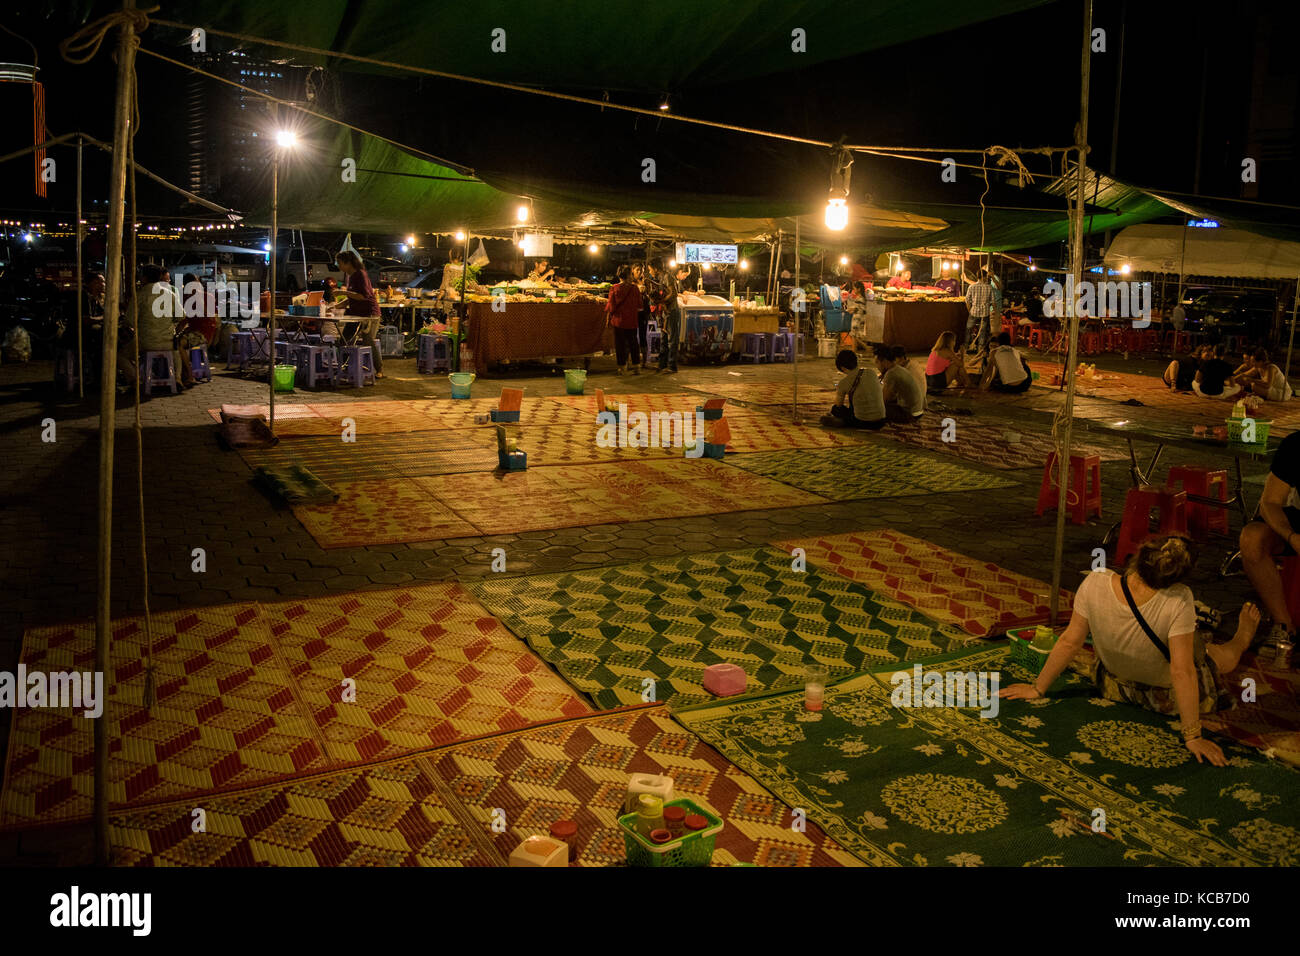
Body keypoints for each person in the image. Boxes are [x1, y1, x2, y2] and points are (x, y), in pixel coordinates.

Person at [1000, 535, 1260, 767]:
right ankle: (1241, 639)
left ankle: (1219, 639)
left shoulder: (1096, 580)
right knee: (1212, 654)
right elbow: (1182, 671)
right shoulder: (1180, 597)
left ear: (1137, 556)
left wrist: (1037, 688)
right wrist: (1193, 736)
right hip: (1163, 699)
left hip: (1114, 687)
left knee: (1189, 640)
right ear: (1176, 577)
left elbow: (1070, 641)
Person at [1239, 431, 1300, 649]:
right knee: (1252, 538)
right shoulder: (1296, 444)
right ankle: (1284, 627)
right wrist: (1291, 537)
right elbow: (1270, 502)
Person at [134, 264, 194, 390]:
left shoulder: (139, 295)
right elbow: (182, 317)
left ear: (144, 278)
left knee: (121, 356)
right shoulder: (169, 294)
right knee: (176, 349)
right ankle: (177, 379)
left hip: (144, 343)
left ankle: (136, 381)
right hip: (167, 341)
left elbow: (129, 321)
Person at [336, 251, 384, 378]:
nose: (339, 266)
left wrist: (345, 294)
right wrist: (336, 306)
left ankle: (379, 370)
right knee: (344, 339)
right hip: (355, 314)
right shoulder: (350, 276)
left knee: (368, 341)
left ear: (348, 263)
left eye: (340, 263)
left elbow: (362, 296)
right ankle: (342, 367)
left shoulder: (361, 275)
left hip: (369, 314)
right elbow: (353, 297)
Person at [821, 349, 886, 429]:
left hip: (862, 422)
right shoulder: (871, 372)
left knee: (835, 409)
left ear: (843, 368)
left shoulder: (843, 383)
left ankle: (843, 423)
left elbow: (838, 405)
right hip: (881, 421)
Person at [646, 258, 681, 375]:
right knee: (663, 340)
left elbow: (673, 293)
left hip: (671, 311)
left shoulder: (667, 277)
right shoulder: (659, 279)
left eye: (650, 269)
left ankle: (672, 366)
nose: (650, 272)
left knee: (672, 340)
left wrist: (662, 302)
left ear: (656, 268)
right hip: (664, 313)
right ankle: (662, 365)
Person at [606, 264, 642, 375]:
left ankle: (622, 367)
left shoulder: (614, 288)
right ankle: (636, 366)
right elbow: (640, 306)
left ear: (619, 276)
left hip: (619, 321)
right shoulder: (635, 288)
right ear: (628, 275)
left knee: (620, 345)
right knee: (633, 344)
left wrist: (608, 319)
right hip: (631, 321)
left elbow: (611, 307)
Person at [877, 346, 925, 422]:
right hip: (918, 411)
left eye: (877, 362)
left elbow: (884, 399)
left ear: (884, 361)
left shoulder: (891, 373)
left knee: (875, 408)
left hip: (909, 414)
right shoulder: (898, 368)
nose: (877, 366)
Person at [964, 271, 994, 354]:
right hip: (985, 313)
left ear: (977, 277)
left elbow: (967, 301)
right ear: (984, 277)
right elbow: (993, 301)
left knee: (968, 330)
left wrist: (970, 311)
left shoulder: (971, 286)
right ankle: (980, 350)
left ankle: (966, 347)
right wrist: (992, 311)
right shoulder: (989, 287)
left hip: (973, 312)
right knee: (983, 331)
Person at [631, 263, 652, 369]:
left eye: (642, 270)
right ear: (633, 271)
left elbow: (650, 295)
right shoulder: (630, 283)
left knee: (643, 336)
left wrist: (646, 294)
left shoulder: (646, 282)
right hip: (633, 313)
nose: (640, 272)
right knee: (633, 336)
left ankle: (644, 361)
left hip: (644, 312)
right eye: (638, 270)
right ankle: (634, 360)